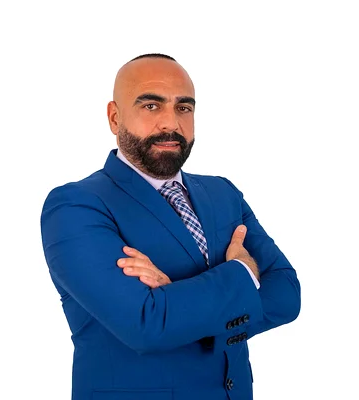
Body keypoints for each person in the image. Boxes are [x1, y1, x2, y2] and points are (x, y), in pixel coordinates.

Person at [40, 53, 301, 400]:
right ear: (115, 117)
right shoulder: (76, 206)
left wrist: (174, 302)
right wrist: (243, 271)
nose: (171, 122)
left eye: (184, 107)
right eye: (151, 106)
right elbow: (146, 324)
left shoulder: (222, 193)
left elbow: (287, 294)